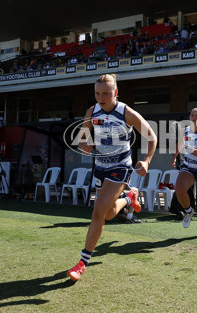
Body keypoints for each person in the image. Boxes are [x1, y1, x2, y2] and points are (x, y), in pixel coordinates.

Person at [67, 74, 157, 282]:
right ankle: (129, 198)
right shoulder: (92, 111)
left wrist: (146, 161)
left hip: (121, 167)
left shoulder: (127, 113)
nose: (101, 97)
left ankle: (82, 263)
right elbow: (81, 138)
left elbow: (152, 136)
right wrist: (83, 145)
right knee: (107, 215)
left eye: (106, 93)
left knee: (97, 211)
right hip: (100, 167)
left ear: (115, 92)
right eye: (97, 93)